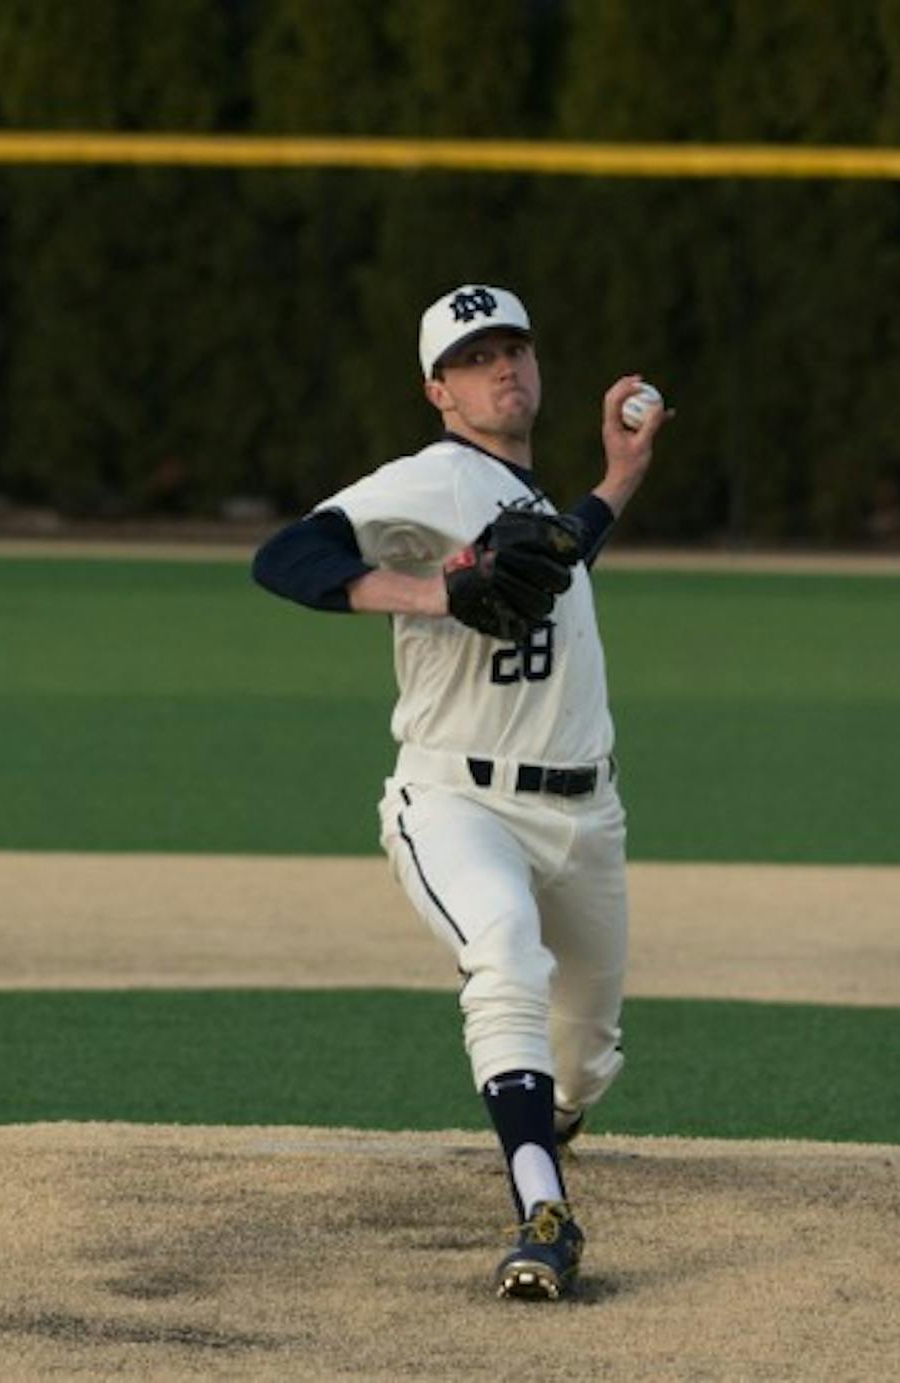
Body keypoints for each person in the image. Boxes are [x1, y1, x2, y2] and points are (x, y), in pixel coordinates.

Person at [250, 283, 670, 1301]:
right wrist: (430, 590)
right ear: (438, 389)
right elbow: (283, 557)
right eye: (476, 358)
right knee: (501, 955)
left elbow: (552, 558)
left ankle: (549, 1112)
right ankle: (541, 1210)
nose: (503, 369)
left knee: (589, 1058)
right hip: (456, 801)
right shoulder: (430, 479)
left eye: (514, 349)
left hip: (584, 815)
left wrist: (616, 481)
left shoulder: (519, 499)